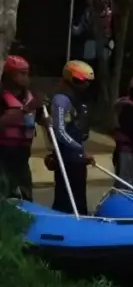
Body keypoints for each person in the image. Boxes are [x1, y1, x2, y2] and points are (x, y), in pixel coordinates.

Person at [50, 61, 95, 214]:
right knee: (65, 196)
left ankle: (82, 218)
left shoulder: (78, 99)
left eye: (88, 83)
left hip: (77, 156)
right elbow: (60, 132)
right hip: (66, 156)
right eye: (81, 82)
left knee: (79, 195)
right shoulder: (61, 100)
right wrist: (80, 149)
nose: (85, 86)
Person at [0, 56, 41, 200]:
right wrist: (25, 110)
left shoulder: (30, 96)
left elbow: (42, 119)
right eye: (21, 73)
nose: (26, 77)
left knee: (26, 193)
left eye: (27, 73)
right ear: (10, 75)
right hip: (3, 154)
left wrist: (48, 119)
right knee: (5, 192)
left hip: (23, 154)